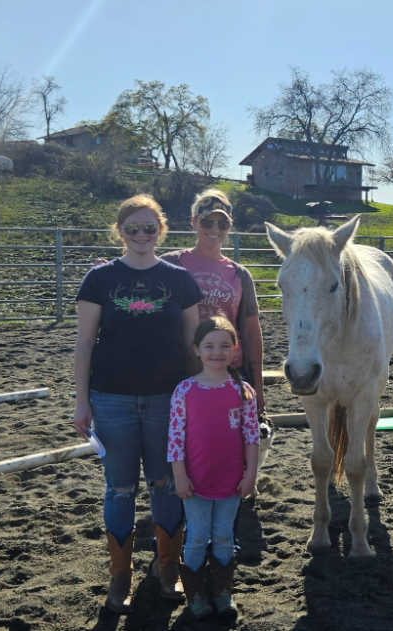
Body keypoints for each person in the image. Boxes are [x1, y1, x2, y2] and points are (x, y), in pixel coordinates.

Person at [72, 194, 201, 612]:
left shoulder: (180, 280)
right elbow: (85, 342)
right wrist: (81, 401)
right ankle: (119, 576)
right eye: (133, 229)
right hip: (111, 400)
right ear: (120, 232)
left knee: (166, 484)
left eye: (150, 228)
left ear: (161, 231)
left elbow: (191, 345)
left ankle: (167, 569)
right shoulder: (99, 279)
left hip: (168, 399)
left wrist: (196, 396)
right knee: (119, 488)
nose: (142, 236)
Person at [168, 316, 260, 619]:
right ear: (197, 349)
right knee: (196, 535)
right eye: (209, 345)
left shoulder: (243, 391)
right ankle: (195, 595)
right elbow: (175, 439)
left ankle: (222, 591)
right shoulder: (184, 391)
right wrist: (179, 476)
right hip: (195, 483)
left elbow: (251, 436)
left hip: (231, 482)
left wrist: (250, 475)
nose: (216, 352)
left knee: (223, 536)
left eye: (224, 345)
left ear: (235, 349)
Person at [160, 189, 266, 419]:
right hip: (181, 374)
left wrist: (258, 387)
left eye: (222, 224)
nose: (215, 230)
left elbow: (251, 333)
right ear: (194, 223)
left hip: (227, 371)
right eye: (207, 222)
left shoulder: (240, 275)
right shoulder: (171, 264)